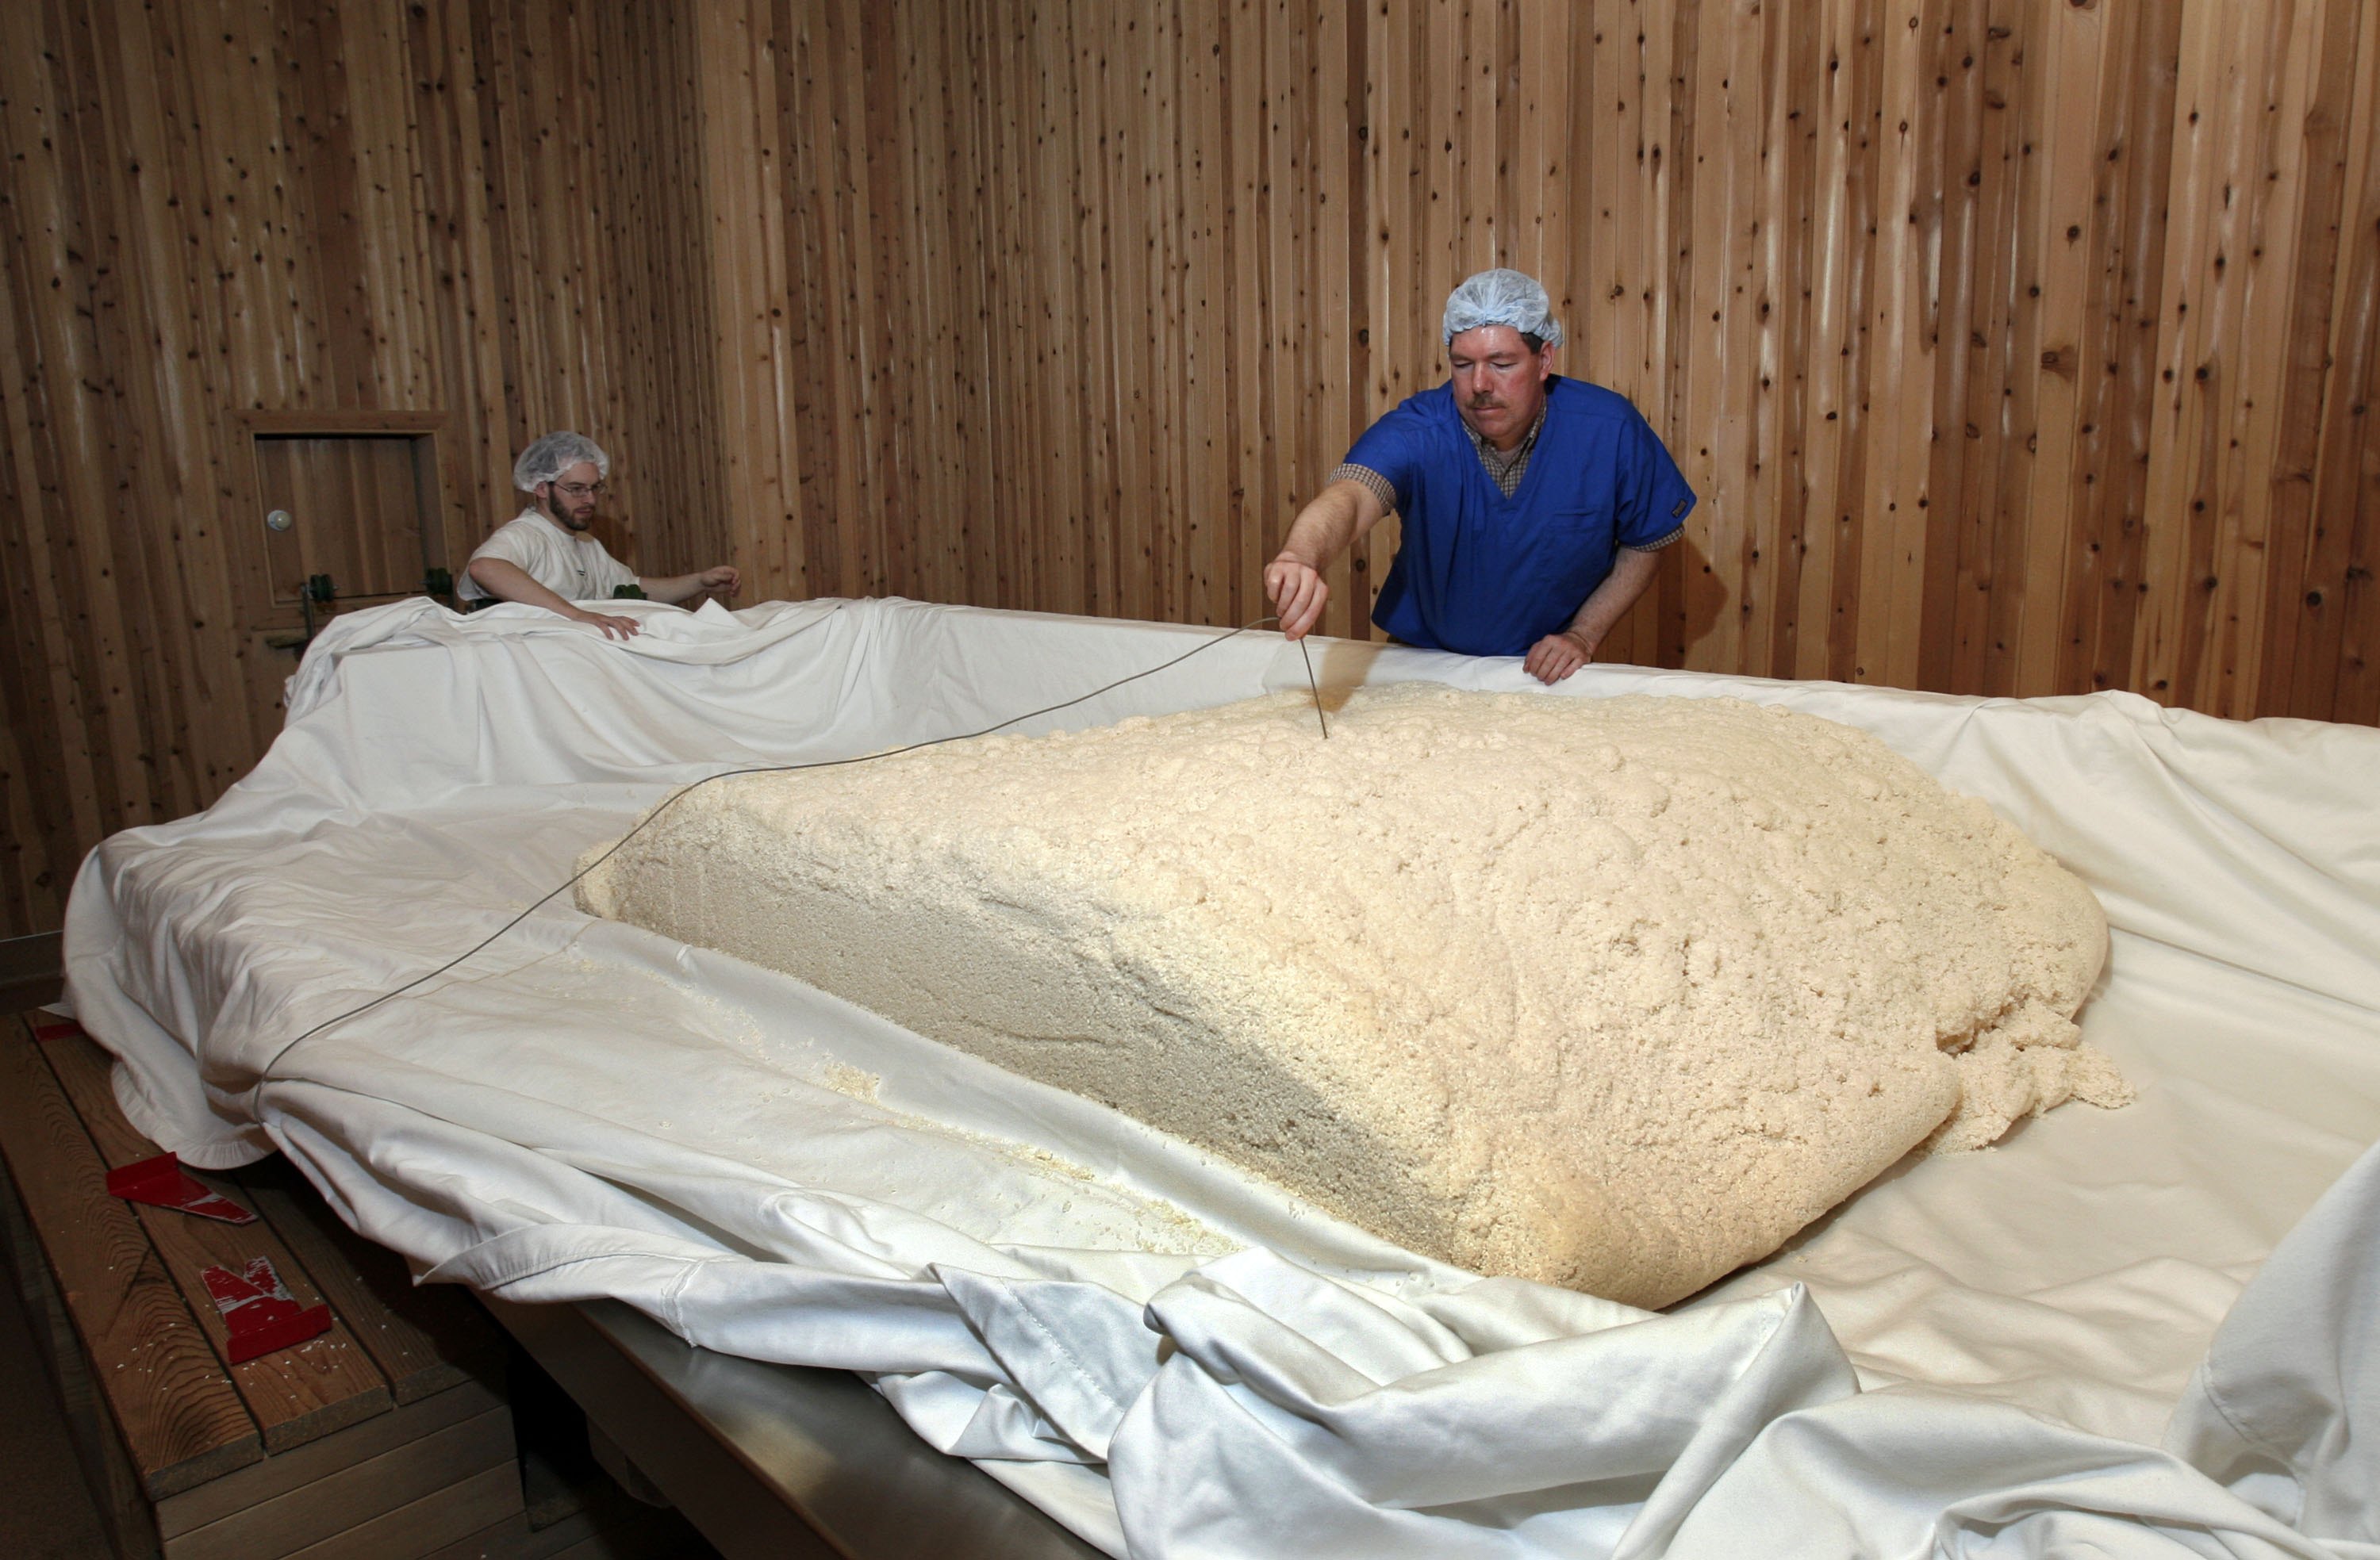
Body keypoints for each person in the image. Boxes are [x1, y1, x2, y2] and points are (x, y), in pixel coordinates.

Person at [1264, 269, 1695, 683]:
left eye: (1501, 364)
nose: (1480, 384)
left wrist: (1584, 634)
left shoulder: (1608, 428)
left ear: (1544, 360)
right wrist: (1301, 556)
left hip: (1543, 671)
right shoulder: (1420, 429)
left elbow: (1648, 540)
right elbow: (1353, 494)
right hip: (1421, 660)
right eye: (1463, 365)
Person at [458, 431, 741, 639]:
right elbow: (486, 567)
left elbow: (633, 589)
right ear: (541, 488)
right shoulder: (526, 535)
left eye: (595, 488)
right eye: (577, 489)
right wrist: (577, 615)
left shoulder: (586, 544)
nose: (590, 499)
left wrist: (699, 582)